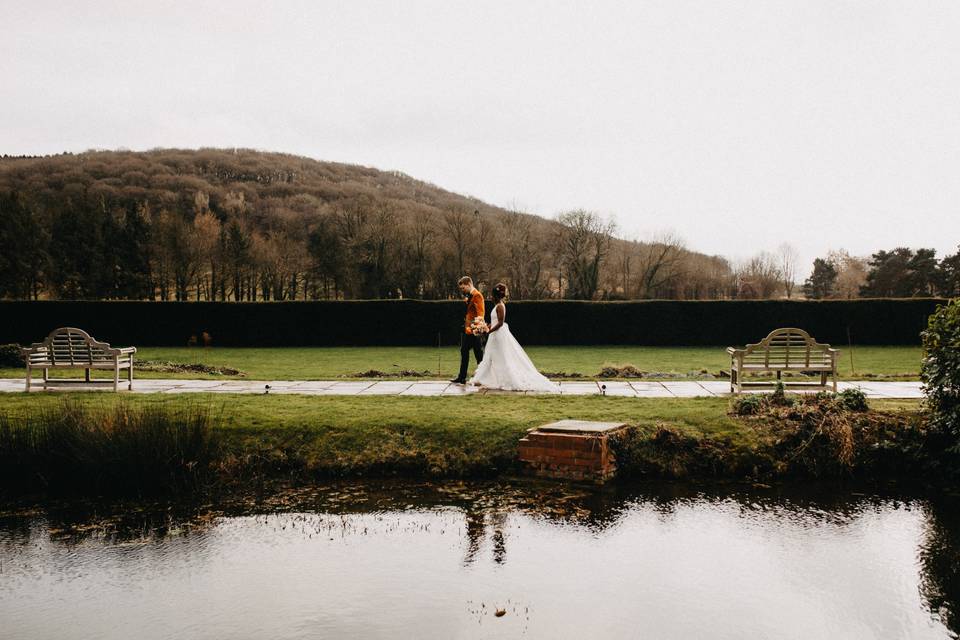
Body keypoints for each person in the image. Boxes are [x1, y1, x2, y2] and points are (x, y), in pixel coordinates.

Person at [469, 283, 559, 393]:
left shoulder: (500, 306)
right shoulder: (497, 306)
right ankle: (483, 378)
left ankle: (502, 379)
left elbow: (500, 323)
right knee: (489, 357)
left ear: (496, 295)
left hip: (498, 335)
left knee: (501, 358)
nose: (490, 297)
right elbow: (494, 322)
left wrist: (489, 331)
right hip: (494, 336)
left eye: (492, 295)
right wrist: (484, 328)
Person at [451, 276, 484, 384]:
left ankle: (465, 377)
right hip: (469, 330)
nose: (462, 291)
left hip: (474, 331)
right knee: (470, 352)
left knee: (476, 354)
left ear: (469, 284)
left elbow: (480, 314)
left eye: (463, 288)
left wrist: (476, 329)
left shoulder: (477, 295)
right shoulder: (470, 296)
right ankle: (462, 377)